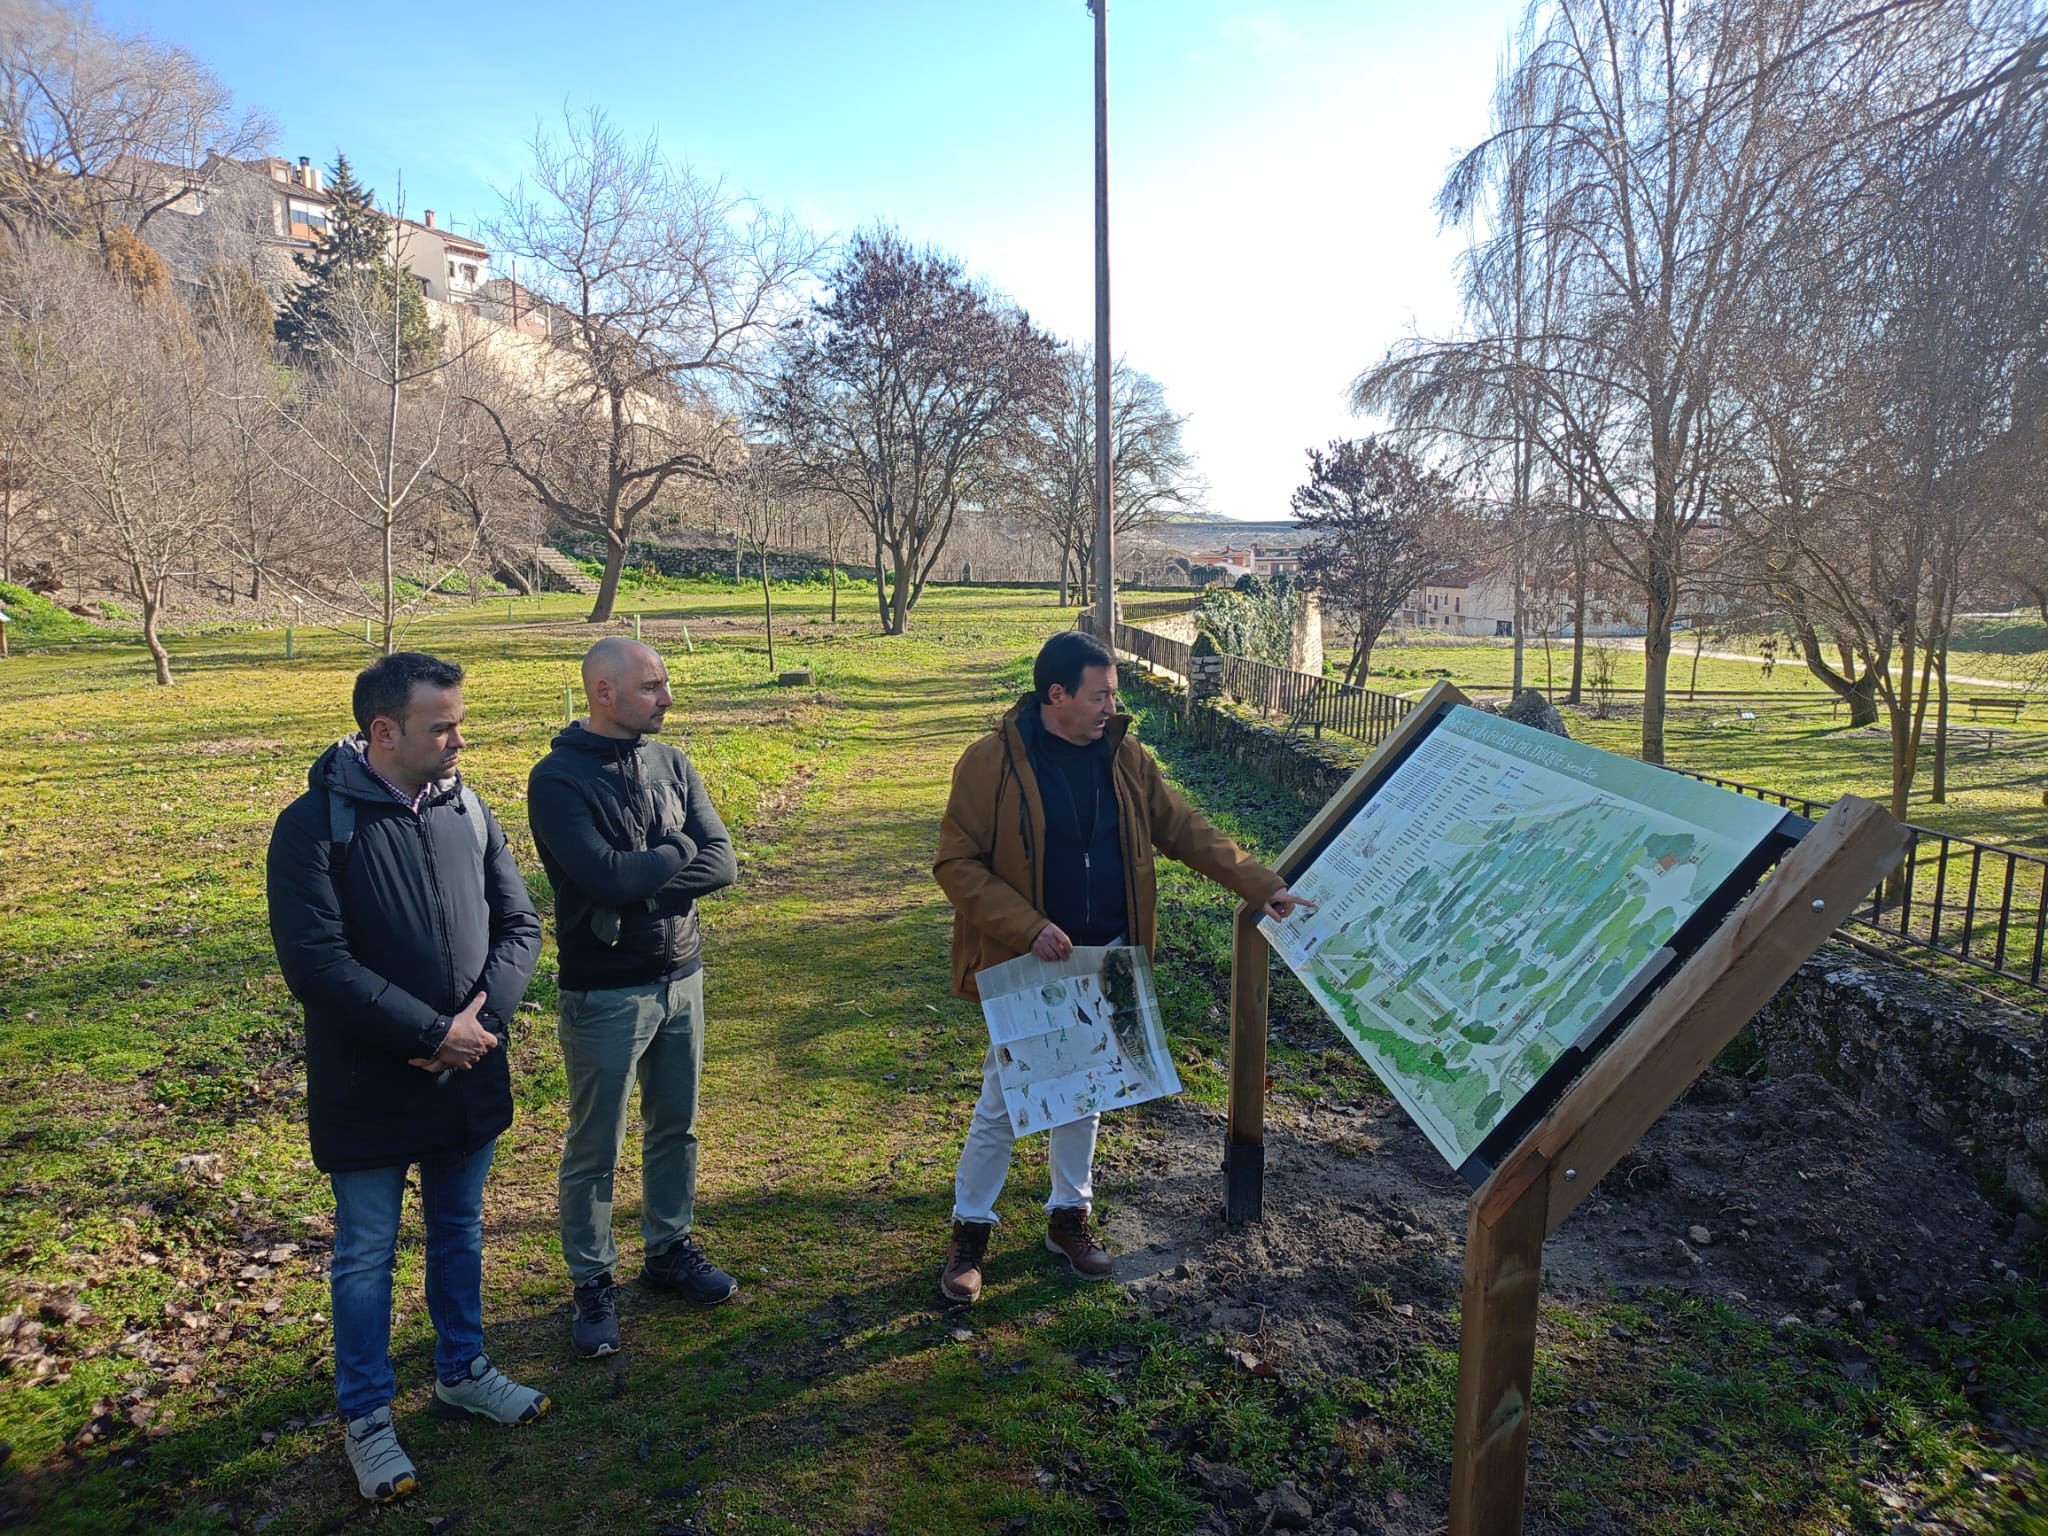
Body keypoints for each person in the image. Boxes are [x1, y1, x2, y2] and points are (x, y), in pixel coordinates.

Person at [933, 629, 1314, 1303]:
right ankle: (972, 1232)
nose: (1113, 703)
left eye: (1113, 692)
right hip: (1033, 960)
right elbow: (957, 864)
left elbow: (1185, 828)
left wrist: (1261, 883)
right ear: (1057, 696)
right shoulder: (989, 762)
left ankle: (1068, 1217)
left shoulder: (1126, 758)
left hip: (1109, 953)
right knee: (1004, 1098)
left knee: (1089, 1090)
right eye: (1100, 693)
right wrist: (1028, 927)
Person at [266, 653, 547, 1505]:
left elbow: (521, 924)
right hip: (369, 1086)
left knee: (460, 1230)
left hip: (467, 1073)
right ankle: (368, 1420)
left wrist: (476, 1026)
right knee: (363, 1257)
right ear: (383, 732)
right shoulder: (312, 827)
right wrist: (428, 1032)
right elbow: (316, 964)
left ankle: (462, 1370)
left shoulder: (470, 807)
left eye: (459, 721)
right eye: (443, 726)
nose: (460, 739)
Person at [528, 637, 740, 1359]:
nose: (668, 698)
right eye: (652, 687)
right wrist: (676, 852)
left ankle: (668, 1248)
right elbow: (606, 877)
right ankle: (592, 1281)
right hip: (606, 994)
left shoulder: (672, 762)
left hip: (684, 978)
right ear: (603, 693)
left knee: (675, 1128)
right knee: (596, 1146)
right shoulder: (555, 780)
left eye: (666, 683)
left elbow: (726, 860)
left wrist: (642, 882)